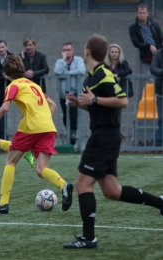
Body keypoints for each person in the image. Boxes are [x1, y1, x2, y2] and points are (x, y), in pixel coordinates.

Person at [63, 34, 163, 249]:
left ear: (87, 52)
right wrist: (79, 103)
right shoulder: (90, 78)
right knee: (112, 191)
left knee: (82, 184)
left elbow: (123, 100)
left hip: (104, 137)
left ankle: (89, 239)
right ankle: (160, 203)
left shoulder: (103, 74)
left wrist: (95, 99)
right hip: (104, 136)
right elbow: (94, 106)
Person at [0, 54, 73, 215]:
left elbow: (5, 108)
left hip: (30, 126)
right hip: (48, 127)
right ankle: (64, 185)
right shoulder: (33, 85)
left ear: (6, 73)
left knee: (10, 161)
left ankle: (3, 204)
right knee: (41, 169)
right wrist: (43, 120)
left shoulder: (13, 85)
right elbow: (53, 105)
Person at [129, 3, 163, 102]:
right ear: (137, 14)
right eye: (140, 13)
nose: (142, 15)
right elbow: (135, 42)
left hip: (158, 56)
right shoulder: (133, 27)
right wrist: (148, 46)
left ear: (148, 13)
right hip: (145, 57)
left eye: (144, 13)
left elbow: (160, 37)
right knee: (150, 79)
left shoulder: (154, 24)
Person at [54, 42, 86, 144]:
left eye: (68, 50)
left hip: (75, 92)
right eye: (64, 50)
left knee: (73, 114)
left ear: (72, 51)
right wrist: (63, 60)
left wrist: (67, 74)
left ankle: (73, 134)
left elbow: (81, 70)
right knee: (65, 115)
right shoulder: (60, 61)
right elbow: (57, 71)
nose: (66, 52)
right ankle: (69, 133)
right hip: (63, 94)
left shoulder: (78, 60)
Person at [150, 49, 163, 147]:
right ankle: (159, 142)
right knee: (161, 118)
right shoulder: (158, 54)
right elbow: (153, 68)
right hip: (161, 91)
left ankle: (158, 142)